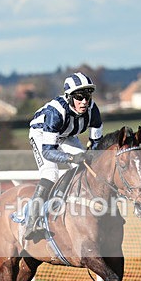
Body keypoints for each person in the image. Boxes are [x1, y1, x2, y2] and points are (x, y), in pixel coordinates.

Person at [24, 71, 103, 239]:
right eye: (79, 96)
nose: (84, 101)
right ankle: (32, 222)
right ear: (69, 97)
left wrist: (88, 157)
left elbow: (96, 144)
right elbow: (48, 151)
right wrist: (71, 158)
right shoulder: (56, 112)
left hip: (66, 135)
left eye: (88, 96)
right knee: (50, 173)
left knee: (85, 167)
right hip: (42, 134)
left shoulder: (93, 110)